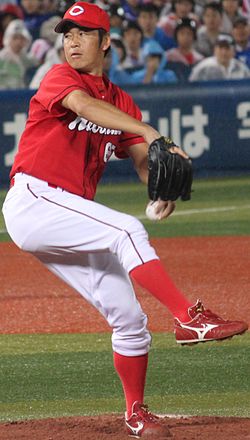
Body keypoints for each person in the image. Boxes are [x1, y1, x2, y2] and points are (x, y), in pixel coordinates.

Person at [2, 2, 248, 438]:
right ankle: (189, 317)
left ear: (106, 41)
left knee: (129, 319)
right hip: (34, 201)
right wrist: (151, 130)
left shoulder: (120, 102)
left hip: (64, 216)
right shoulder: (62, 78)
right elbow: (82, 106)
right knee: (126, 229)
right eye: (67, 34)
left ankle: (135, 413)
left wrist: (160, 179)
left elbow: (141, 159)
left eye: (82, 33)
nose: (72, 42)